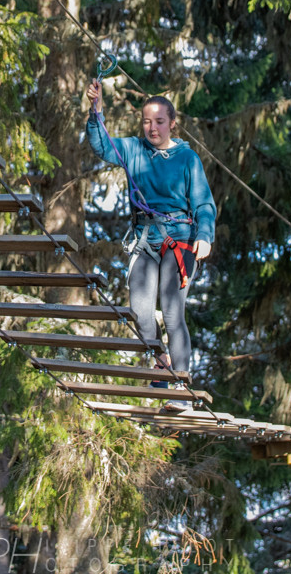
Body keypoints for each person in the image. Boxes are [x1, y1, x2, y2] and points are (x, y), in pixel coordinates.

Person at [85, 80, 216, 412]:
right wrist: (95, 111)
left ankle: (181, 387)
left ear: (172, 122)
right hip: (145, 240)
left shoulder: (187, 159)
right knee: (141, 313)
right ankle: (161, 377)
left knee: (172, 311)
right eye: (147, 121)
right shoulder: (133, 149)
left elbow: (203, 203)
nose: (152, 127)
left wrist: (205, 235)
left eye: (159, 121)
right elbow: (102, 146)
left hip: (180, 241)